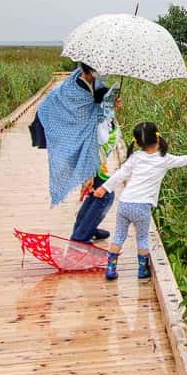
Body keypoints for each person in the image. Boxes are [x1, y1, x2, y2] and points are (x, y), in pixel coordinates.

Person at [92, 121, 187, 280]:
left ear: (137, 143)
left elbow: (120, 175)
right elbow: (185, 160)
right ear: (157, 138)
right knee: (142, 238)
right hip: (142, 206)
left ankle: (110, 268)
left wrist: (104, 188)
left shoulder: (135, 157)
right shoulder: (165, 159)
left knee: (119, 236)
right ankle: (142, 270)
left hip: (125, 203)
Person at [34, 63, 119, 242]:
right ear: (87, 71)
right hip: (78, 145)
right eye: (98, 71)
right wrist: (87, 169)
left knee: (96, 189)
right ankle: (80, 236)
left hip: (89, 145)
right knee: (105, 192)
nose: (101, 74)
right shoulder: (76, 91)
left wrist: (110, 104)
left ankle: (87, 228)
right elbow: (84, 123)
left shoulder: (91, 82)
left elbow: (99, 106)